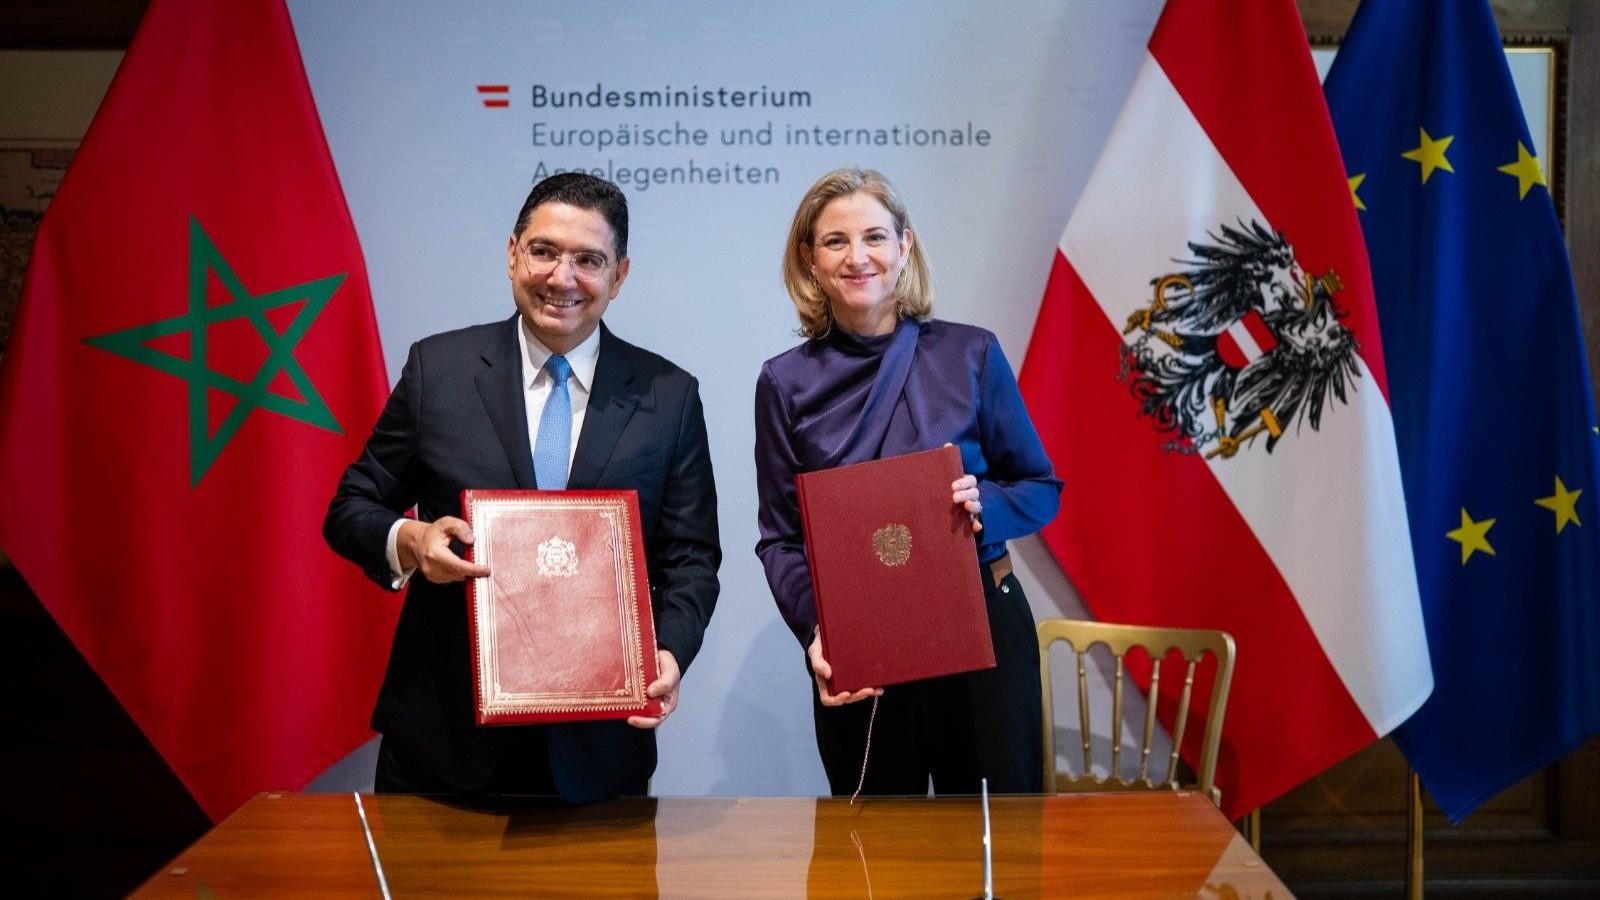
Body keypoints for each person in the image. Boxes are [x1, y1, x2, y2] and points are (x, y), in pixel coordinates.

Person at [325, 172, 720, 803]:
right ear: (513, 254)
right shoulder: (439, 370)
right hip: (443, 745)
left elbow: (692, 559)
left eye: (588, 260)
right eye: (544, 251)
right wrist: (413, 540)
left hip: (600, 747)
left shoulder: (669, 396)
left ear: (619, 277)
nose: (562, 278)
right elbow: (350, 507)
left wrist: (669, 652)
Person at [755, 167, 1062, 795]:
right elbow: (781, 540)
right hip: (860, 638)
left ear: (905, 246)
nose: (857, 256)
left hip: (982, 623)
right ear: (810, 260)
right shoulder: (784, 381)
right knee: (874, 856)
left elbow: (1039, 485)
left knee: (996, 843)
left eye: (874, 236)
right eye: (835, 241)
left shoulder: (971, 353)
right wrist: (818, 631)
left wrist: (986, 508)